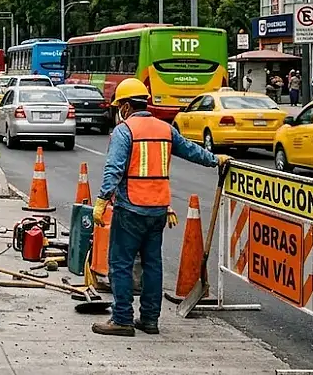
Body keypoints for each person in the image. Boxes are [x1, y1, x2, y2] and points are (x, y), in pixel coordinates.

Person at [91, 78, 230, 337]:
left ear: (125, 107)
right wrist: (215, 159)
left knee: (120, 264)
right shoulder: (164, 129)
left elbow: (114, 170)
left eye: (119, 106)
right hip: (158, 211)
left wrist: (101, 201)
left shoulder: (125, 131)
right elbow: (190, 150)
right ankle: (150, 319)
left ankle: (122, 319)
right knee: (152, 264)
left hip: (131, 209)